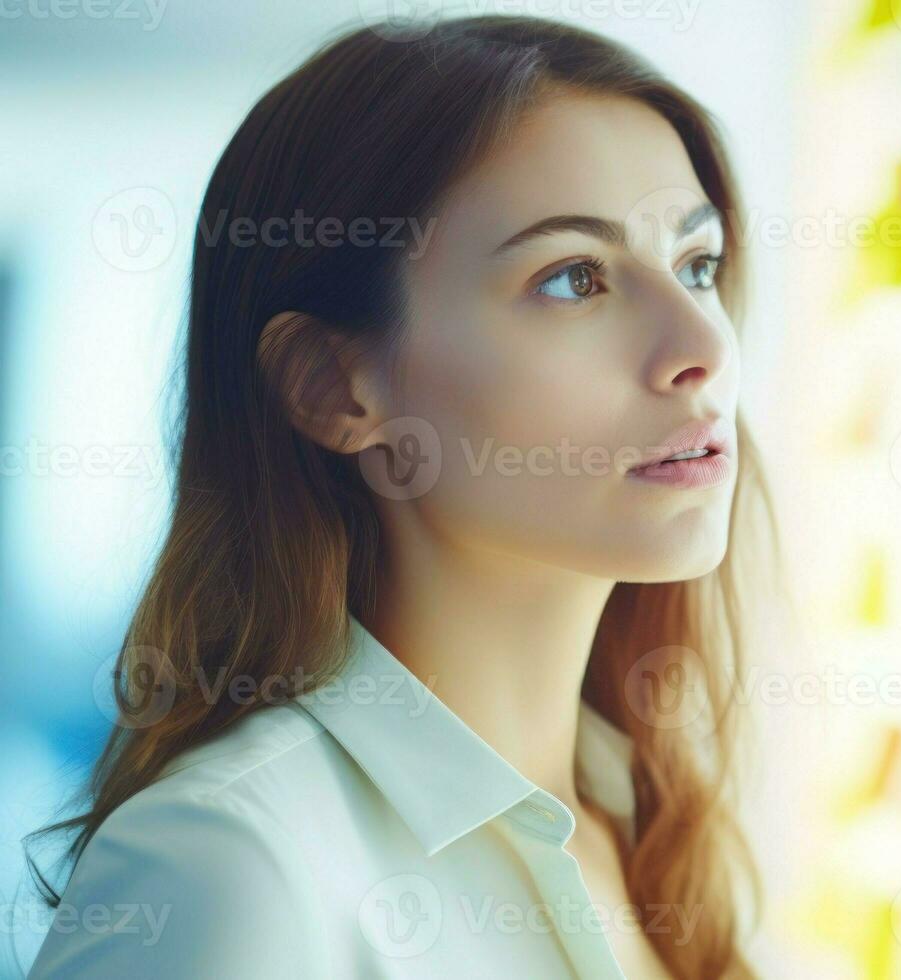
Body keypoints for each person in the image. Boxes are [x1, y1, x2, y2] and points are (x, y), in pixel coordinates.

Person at [26, 15, 772, 979]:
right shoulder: (231, 863)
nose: (701, 349)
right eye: (574, 279)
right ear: (334, 388)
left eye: (697, 266)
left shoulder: (649, 819)